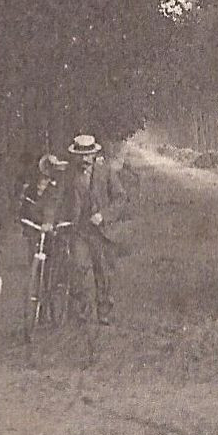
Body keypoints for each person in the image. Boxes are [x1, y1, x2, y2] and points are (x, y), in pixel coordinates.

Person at [60, 134, 127, 325]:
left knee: (103, 272)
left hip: (101, 231)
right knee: (77, 267)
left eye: (88, 155)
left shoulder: (106, 172)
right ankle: (82, 308)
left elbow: (121, 197)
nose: (84, 159)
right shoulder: (69, 175)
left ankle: (104, 310)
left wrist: (104, 215)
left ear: (94, 154)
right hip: (80, 230)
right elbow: (58, 199)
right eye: (81, 155)